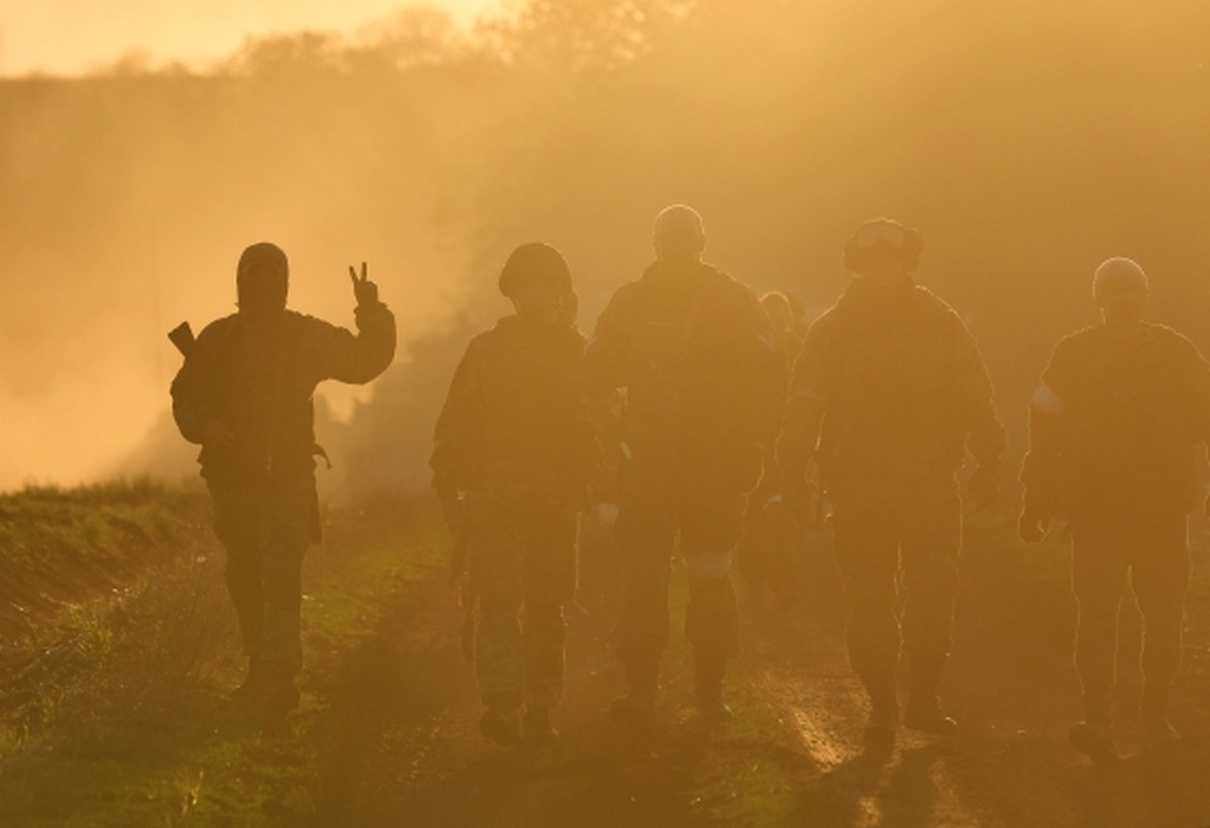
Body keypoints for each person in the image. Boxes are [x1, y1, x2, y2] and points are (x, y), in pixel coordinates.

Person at [778, 218, 1006, 741]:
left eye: (893, 261)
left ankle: (923, 698)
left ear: (907, 264)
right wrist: (789, 469)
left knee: (936, 585)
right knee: (870, 594)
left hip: (929, 480)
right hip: (859, 485)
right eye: (874, 262)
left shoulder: (940, 322)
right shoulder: (832, 329)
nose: (884, 270)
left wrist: (990, 455)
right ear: (860, 266)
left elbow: (974, 389)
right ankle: (882, 702)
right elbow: (805, 401)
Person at [1019, 256, 1210, 762]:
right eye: (1115, 292)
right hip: (1096, 513)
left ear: (1146, 298)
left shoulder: (1175, 352)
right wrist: (1035, 497)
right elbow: (1042, 428)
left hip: (1162, 512)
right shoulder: (1072, 354)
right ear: (1100, 300)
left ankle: (1155, 718)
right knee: (1097, 615)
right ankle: (1097, 718)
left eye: (1134, 291)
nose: (1125, 300)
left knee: (1163, 617)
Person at [171, 242, 396, 733]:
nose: (262, 285)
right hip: (233, 480)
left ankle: (279, 675)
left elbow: (365, 360)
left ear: (285, 283)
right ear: (239, 282)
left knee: (281, 571)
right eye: (254, 276)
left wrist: (371, 309)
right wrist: (206, 428)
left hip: (286, 476)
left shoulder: (302, 335)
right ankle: (261, 665)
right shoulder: (218, 339)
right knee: (246, 574)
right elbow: (184, 397)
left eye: (271, 277)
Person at [584, 204, 787, 725]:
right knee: (644, 577)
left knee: (710, 575)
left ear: (701, 245)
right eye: (670, 243)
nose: (677, 253)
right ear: (658, 247)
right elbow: (594, 378)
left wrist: (756, 448)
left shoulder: (734, 303)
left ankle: (709, 692)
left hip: (713, 465)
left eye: (685, 243)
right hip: (649, 463)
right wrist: (603, 449)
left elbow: (770, 381)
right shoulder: (632, 304)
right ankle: (643, 692)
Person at [430, 243, 594, 745]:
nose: (535, 294)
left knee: (547, 604)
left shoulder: (579, 353)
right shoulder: (487, 351)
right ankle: (502, 704)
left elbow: (601, 425)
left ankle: (541, 704)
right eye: (526, 284)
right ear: (512, 291)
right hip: (496, 497)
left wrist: (600, 480)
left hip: (557, 499)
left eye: (544, 284)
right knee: (498, 600)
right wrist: (452, 494)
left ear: (559, 291)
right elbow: (454, 425)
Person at [737, 291, 804, 610]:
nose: (775, 325)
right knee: (748, 519)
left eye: (780, 319)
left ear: (789, 320)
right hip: (752, 446)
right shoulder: (747, 352)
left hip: (789, 448)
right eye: (769, 319)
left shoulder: (803, 352)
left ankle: (785, 584)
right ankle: (753, 584)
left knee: (782, 517)